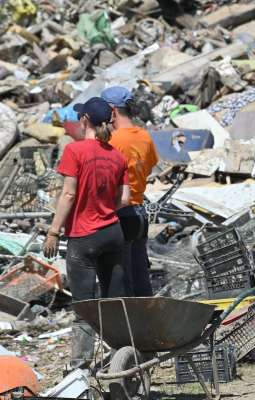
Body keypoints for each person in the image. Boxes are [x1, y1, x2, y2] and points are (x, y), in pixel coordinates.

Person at [42, 97, 130, 369]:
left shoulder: (75, 151)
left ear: (84, 120)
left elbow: (68, 194)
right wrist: (104, 209)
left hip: (84, 237)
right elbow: (124, 199)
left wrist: (53, 232)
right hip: (113, 233)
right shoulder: (117, 156)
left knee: (84, 306)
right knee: (115, 302)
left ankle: (80, 364)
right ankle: (123, 358)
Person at [102, 86, 159, 296]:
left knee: (121, 278)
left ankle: (126, 325)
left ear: (112, 110)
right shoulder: (144, 136)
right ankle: (147, 321)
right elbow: (150, 165)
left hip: (119, 213)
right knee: (140, 273)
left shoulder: (113, 141)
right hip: (139, 212)